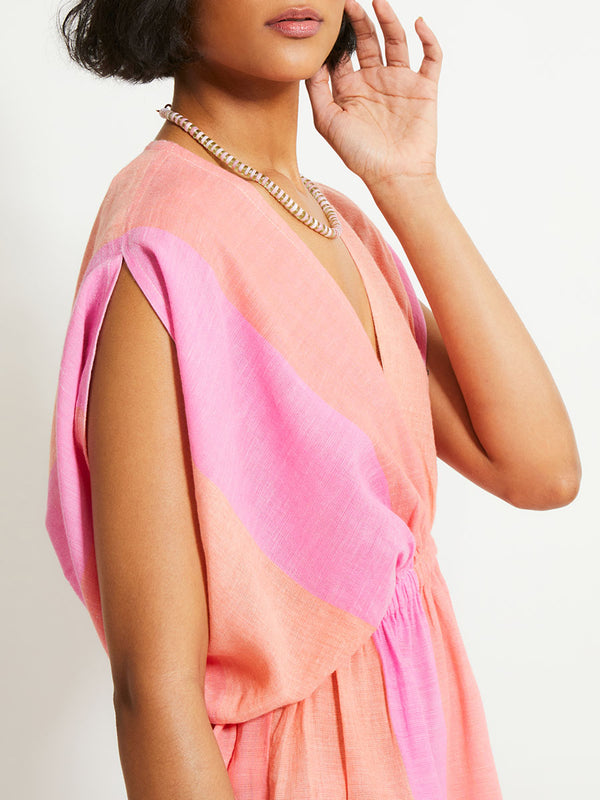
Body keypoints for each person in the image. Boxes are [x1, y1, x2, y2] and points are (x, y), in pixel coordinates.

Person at [45, 0, 581, 798]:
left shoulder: (336, 220)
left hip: (422, 740)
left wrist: (409, 185)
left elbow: (542, 471)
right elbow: (153, 692)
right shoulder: (159, 247)